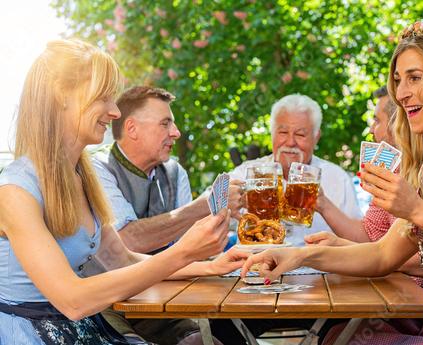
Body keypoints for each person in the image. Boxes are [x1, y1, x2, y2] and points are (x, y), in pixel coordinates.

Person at [241, 21, 423, 344]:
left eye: (414, 78)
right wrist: (298, 257)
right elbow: (382, 255)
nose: (400, 93)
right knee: (342, 337)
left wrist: (416, 209)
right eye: (398, 80)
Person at [0, 38, 248, 345]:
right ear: (61, 95)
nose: (115, 111)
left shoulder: (81, 177)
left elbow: (123, 260)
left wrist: (208, 266)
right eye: (103, 98)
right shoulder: (15, 190)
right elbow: (72, 300)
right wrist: (182, 252)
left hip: (85, 330)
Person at [93, 86, 243, 255]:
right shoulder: (97, 168)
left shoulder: (175, 171)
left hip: (174, 280)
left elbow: (190, 246)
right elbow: (127, 242)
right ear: (132, 129)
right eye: (165, 124)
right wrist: (209, 203)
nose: (176, 133)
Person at [307, 86, 423, 284]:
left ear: (398, 123)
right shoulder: (393, 169)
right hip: (395, 293)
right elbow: (369, 235)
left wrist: (345, 248)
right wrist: (322, 203)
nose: (372, 129)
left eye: (377, 120)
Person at [229, 93, 363, 244]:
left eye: (300, 134)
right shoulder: (246, 172)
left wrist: (325, 206)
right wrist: (225, 202)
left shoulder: (336, 177)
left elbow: (361, 241)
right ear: (272, 133)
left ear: (316, 137)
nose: (291, 142)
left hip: (317, 266)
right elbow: (206, 211)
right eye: (283, 132)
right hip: (255, 264)